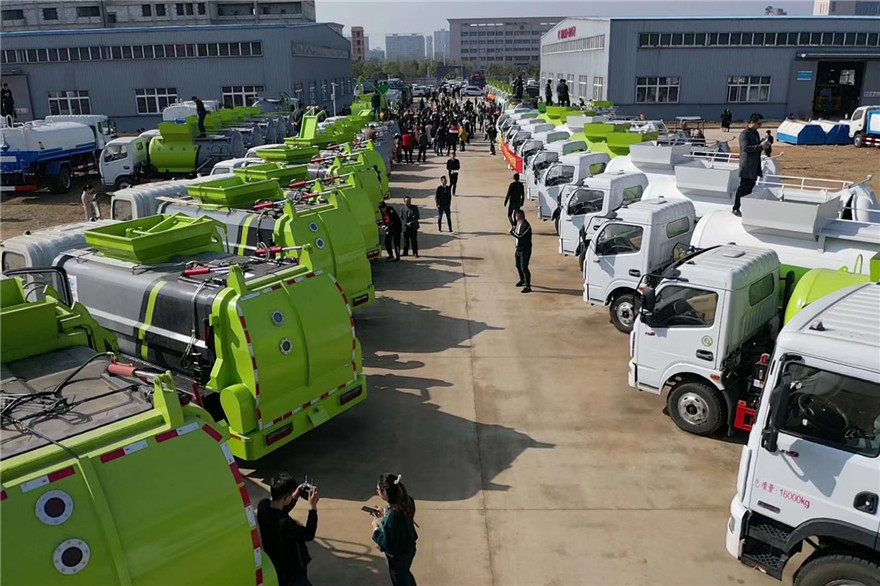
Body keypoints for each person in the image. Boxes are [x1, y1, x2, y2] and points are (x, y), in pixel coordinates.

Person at [257, 473, 320, 586]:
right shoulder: (286, 524)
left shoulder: (263, 506)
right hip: (292, 570)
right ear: (286, 498)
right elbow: (309, 534)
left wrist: (294, 497)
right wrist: (313, 508)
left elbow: (279, 511)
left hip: (274, 562)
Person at [371, 473, 418, 586]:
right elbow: (399, 523)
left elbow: (387, 543)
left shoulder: (393, 515)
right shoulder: (407, 501)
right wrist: (385, 513)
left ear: (385, 492)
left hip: (398, 555)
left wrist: (376, 529)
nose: (377, 491)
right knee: (405, 574)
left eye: (378, 489)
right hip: (409, 547)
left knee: (400, 580)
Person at [733, 113, 769, 217]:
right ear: (752, 122)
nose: (760, 126)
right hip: (747, 165)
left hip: (754, 165)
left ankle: (745, 206)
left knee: (750, 187)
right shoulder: (745, 134)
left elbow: (756, 146)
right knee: (743, 187)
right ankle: (736, 207)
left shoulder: (755, 133)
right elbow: (746, 148)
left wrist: (764, 145)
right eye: (758, 123)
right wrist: (760, 147)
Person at [510, 209, 532, 293]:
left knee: (524, 267)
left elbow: (520, 236)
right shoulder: (518, 224)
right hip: (518, 248)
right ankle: (522, 279)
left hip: (525, 250)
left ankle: (528, 286)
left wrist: (512, 233)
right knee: (518, 265)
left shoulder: (526, 226)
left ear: (519, 216)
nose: (515, 217)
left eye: (516, 216)